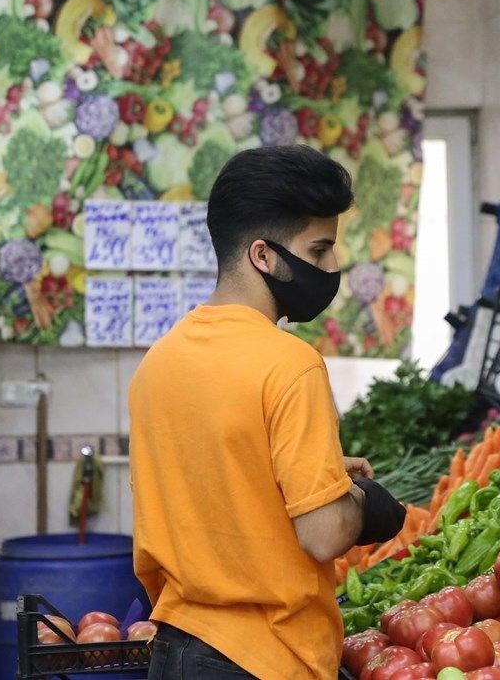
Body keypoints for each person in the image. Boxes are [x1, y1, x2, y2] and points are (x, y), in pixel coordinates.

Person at [129, 145, 406, 679]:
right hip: (265, 658)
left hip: (175, 652)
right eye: (320, 249)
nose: (333, 267)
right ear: (263, 255)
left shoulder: (157, 364)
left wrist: (318, 474)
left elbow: (206, 487)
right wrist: (359, 500)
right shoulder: (291, 365)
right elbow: (324, 534)